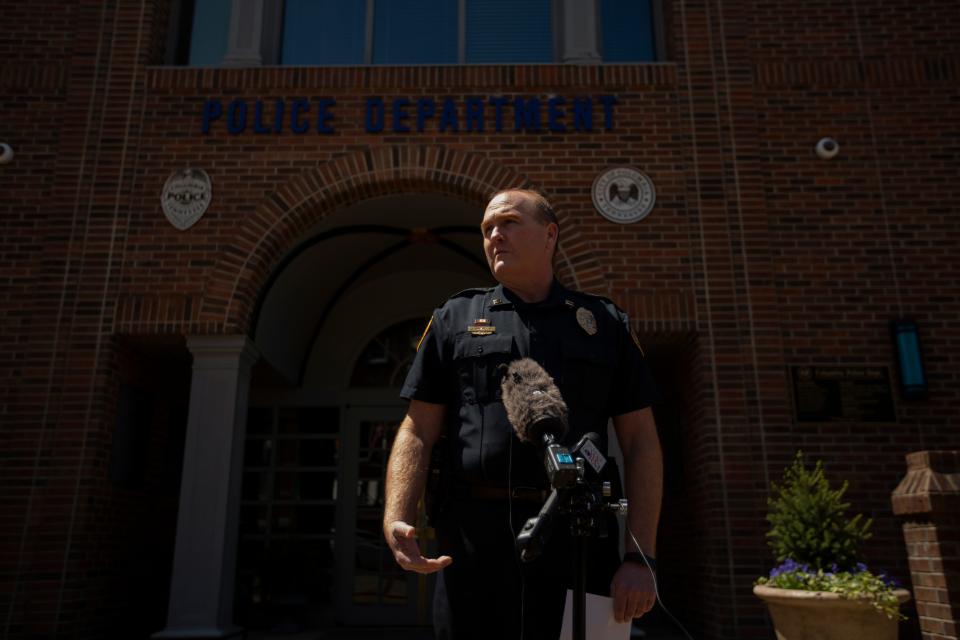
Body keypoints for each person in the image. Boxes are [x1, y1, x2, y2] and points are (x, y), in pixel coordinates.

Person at [383, 189, 663, 640]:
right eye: (487, 229)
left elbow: (641, 442)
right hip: (474, 539)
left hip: (581, 536)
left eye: (509, 222)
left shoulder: (603, 323)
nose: (495, 235)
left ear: (550, 234)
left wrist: (639, 557)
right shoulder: (455, 318)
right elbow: (418, 428)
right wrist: (397, 512)